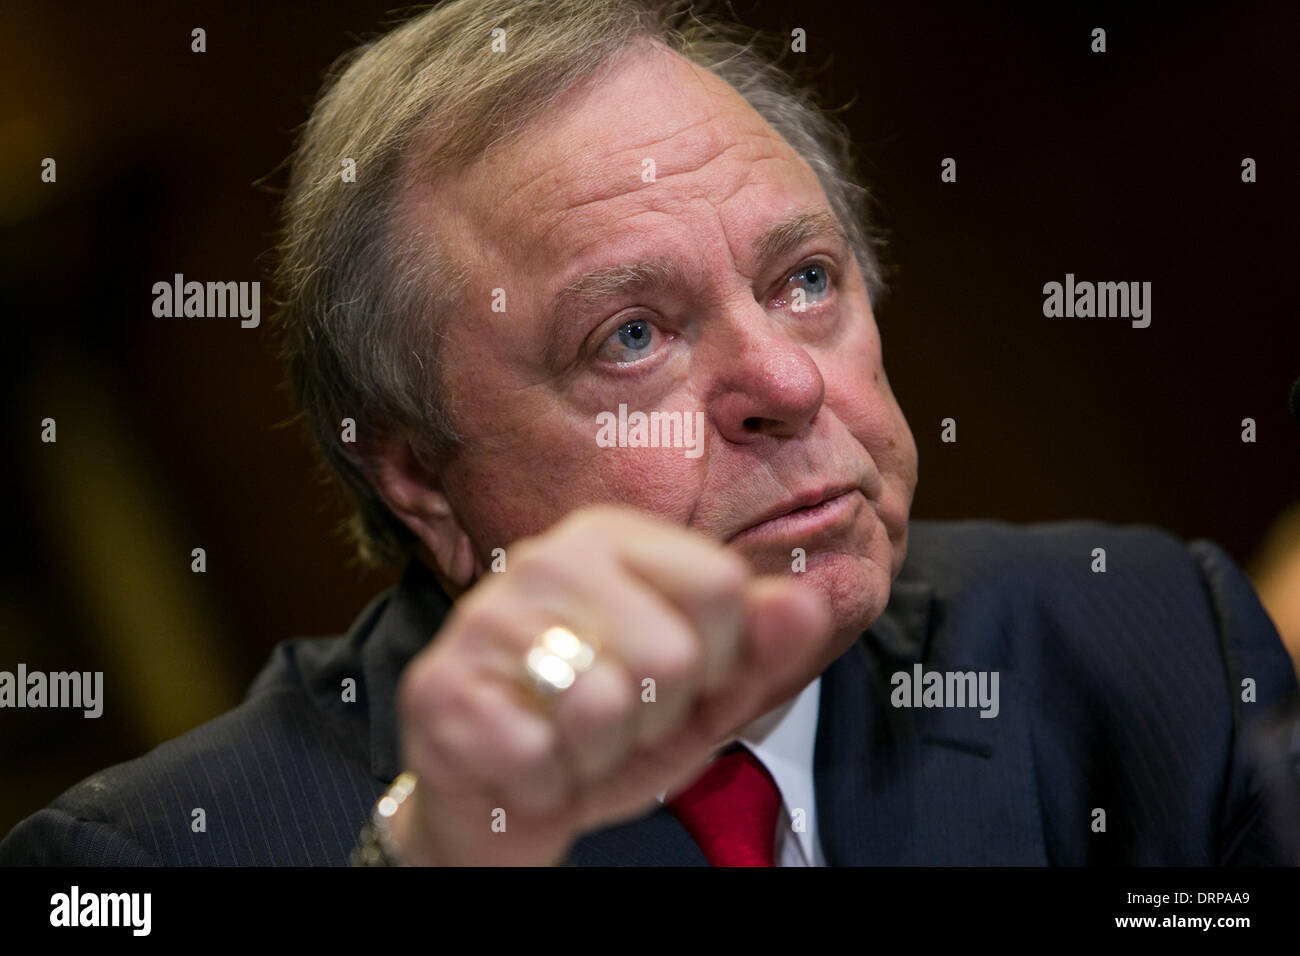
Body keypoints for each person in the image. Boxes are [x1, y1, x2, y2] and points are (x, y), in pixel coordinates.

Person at [3, 0, 1297, 867]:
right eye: (631, 335)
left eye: (804, 280)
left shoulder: (1147, 645)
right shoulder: (156, 856)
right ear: (419, 478)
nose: (785, 383)